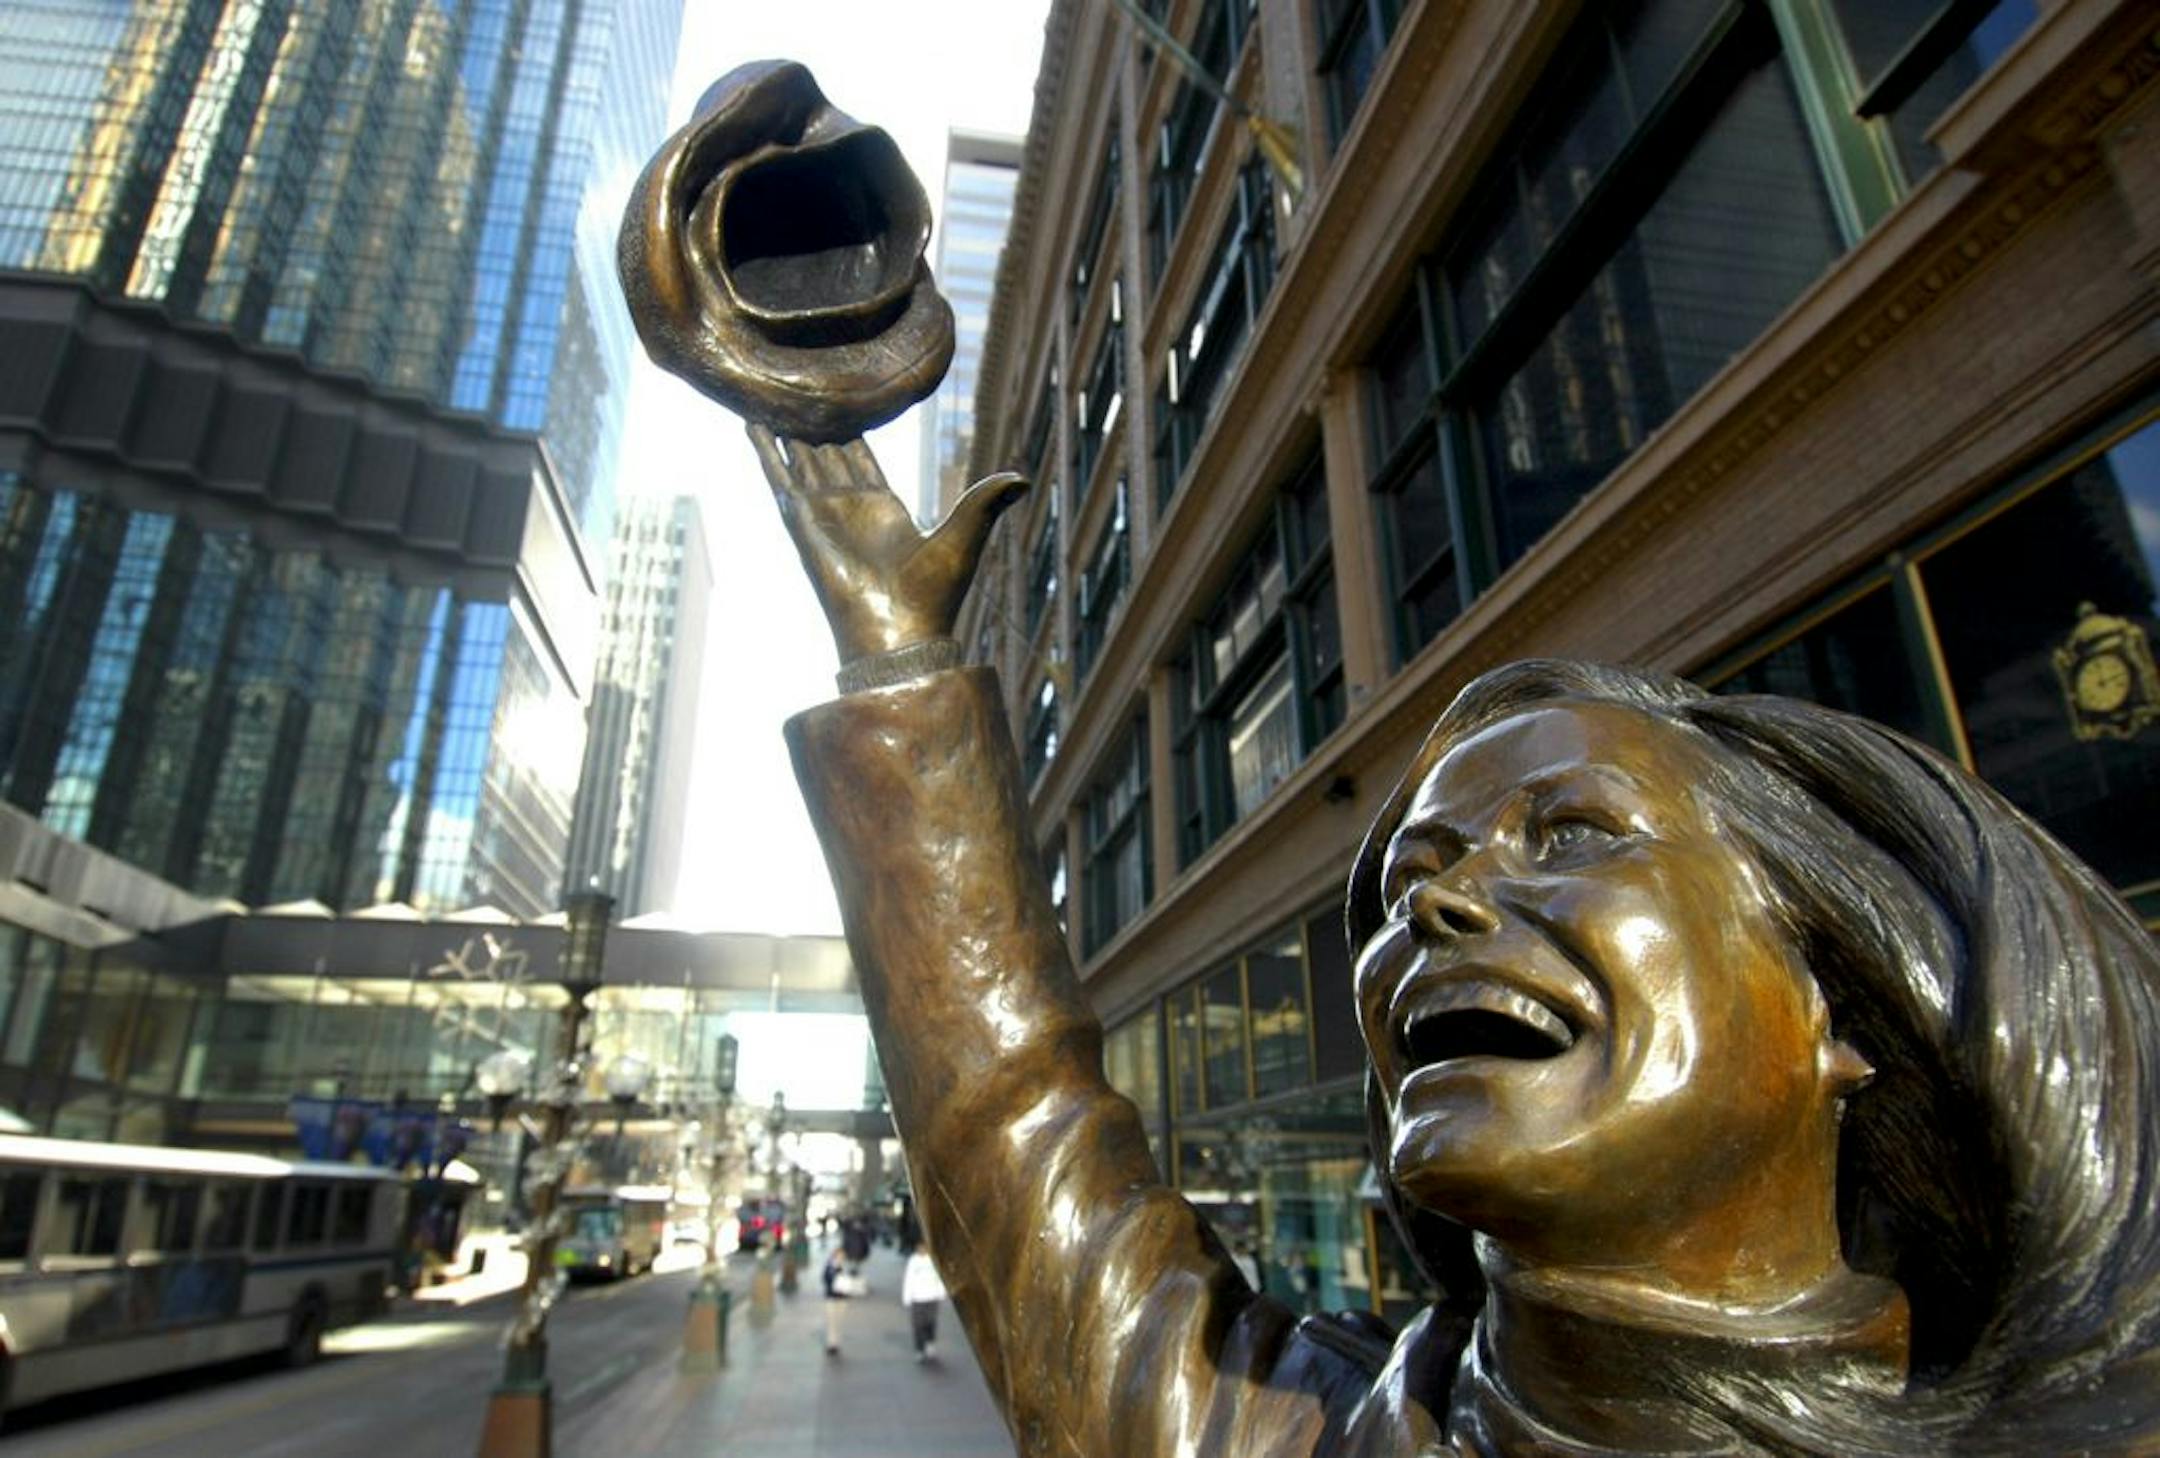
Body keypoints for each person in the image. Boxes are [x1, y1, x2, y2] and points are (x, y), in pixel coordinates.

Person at [747, 430, 2160, 1454]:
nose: (1437, 903)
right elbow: (1013, 1119)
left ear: (1833, 998)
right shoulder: (1301, 1431)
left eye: (1573, 834)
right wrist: (896, 653)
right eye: (1415, 873)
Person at [902, 1245, 947, 1362]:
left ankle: (930, 1344)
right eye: (919, 1247)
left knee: (930, 1322)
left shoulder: (933, 1259)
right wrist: (907, 1297)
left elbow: (940, 1276)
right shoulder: (913, 1261)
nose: (921, 1249)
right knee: (918, 1325)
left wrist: (941, 1292)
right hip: (917, 1298)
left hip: (932, 1296)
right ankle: (919, 1349)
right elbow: (909, 1279)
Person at [820, 1244, 853, 1357]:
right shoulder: (830, 1266)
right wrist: (835, 1273)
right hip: (831, 1298)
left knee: (839, 1322)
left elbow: (848, 1281)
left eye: (842, 1256)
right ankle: (831, 1344)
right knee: (831, 1322)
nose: (841, 1257)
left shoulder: (844, 1267)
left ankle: (836, 1343)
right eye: (839, 1255)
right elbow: (825, 1279)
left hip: (842, 1299)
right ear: (834, 1255)